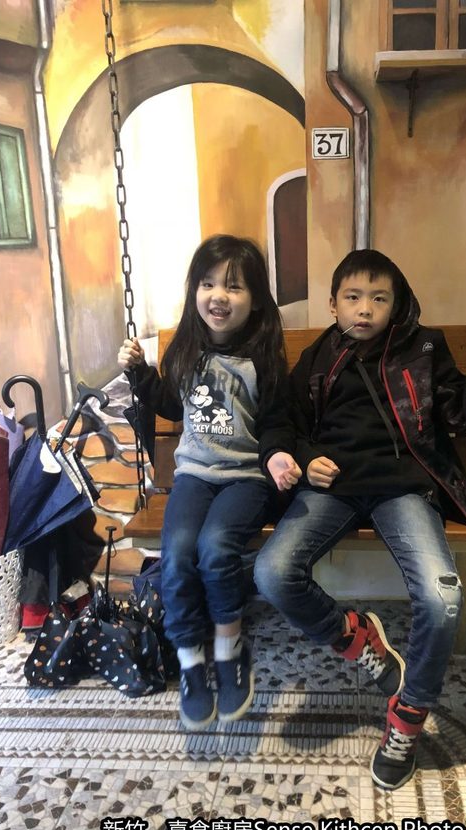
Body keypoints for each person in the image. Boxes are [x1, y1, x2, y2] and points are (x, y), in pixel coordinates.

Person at [254, 248, 466, 790]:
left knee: (442, 601)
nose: (365, 309)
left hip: (405, 490)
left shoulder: (424, 348)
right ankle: (357, 639)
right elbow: (283, 419)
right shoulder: (319, 356)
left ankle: (406, 718)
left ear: (396, 305)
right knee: (272, 573)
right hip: (335, 488)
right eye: (353, 297)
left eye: (379, 298)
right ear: (334, 304)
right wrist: (302, 456)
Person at [118, 235, 301, 731]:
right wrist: (139, 374)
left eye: (234, 287)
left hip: (246, 480)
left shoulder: (262, 359)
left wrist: (278, 456)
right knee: (177, 553)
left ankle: (228, 648)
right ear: (194, 291)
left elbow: (276, 422)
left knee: (216, 548)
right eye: (208, 284)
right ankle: (190, 662)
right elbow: (171, 405)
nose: (219, 296)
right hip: (194, 478)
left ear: (255, 299)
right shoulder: (188, 350)